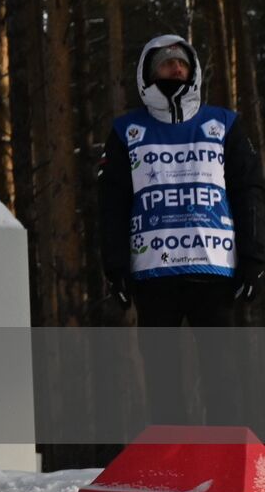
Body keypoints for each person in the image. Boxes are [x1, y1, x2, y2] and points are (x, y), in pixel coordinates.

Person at [97, 35, 265, 426]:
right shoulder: (126, 131)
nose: (175, 68)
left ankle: (225, 462)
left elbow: (249, 191)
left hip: (214, 269)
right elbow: (112, 203)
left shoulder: (224, 124)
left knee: (223, 371)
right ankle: (171, 463)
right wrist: (116, 266)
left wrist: (255, 256)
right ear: (147, 73)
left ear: (193, 71)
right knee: (161, 375)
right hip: (153, 274)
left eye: (182, 62)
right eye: (165, 62)